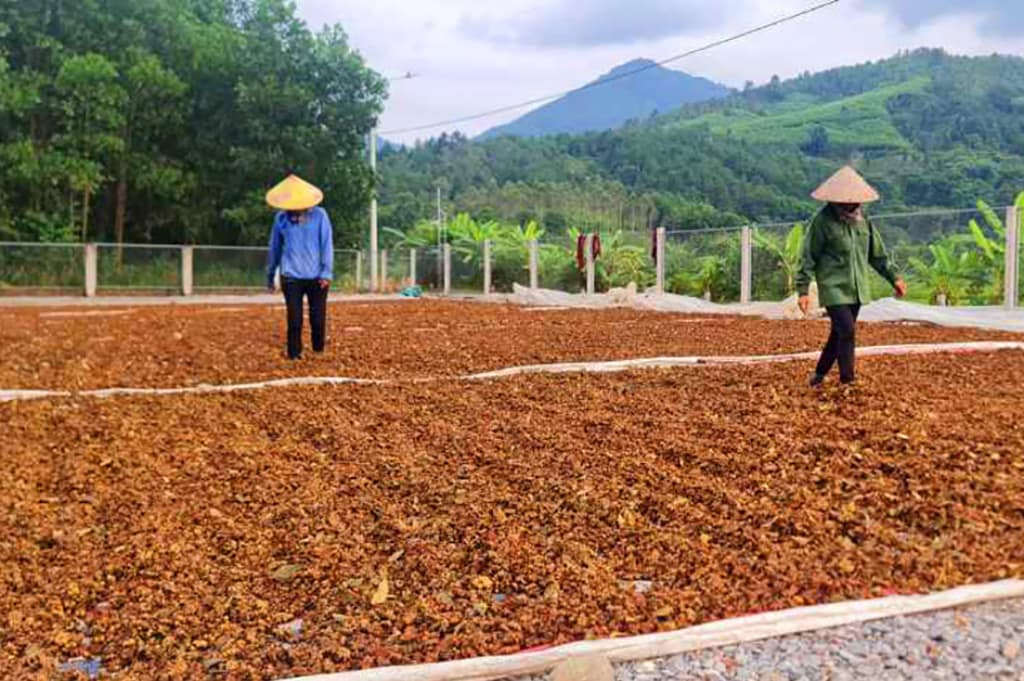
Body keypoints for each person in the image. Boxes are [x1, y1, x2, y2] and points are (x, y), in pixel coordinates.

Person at [795, 166, 907, 387]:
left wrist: (894, 278)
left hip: (857, 287)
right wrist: (803, 290)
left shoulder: (864, 222)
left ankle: (818, 375)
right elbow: (808, 256)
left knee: (838, 334)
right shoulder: (822, 222)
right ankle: (848, 381)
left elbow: (878, 255)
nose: (852, 205)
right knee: (847, 329)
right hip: (833, 286)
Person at [265, 174, 334, 360]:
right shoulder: (281, 219)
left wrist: (326, 272)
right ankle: (294, 354)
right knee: (294, 319)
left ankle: (318, 350)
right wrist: (271, 274)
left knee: (317, 318)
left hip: (317, 276)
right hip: (291, 276)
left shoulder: (320, 216)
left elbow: (326, 244)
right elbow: (275, 248)